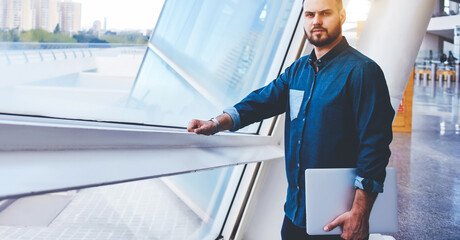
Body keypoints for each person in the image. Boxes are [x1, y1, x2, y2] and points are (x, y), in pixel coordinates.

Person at [187, 0, 394, 239]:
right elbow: (261, 101)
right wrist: (215, 123)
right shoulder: (298, 70)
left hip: (338, 217)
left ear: (342, 16)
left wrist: (360, 213)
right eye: (310, 14)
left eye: (325, 13)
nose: (316, 20)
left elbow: (375, 146)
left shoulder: (363, 71)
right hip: (295, 214)